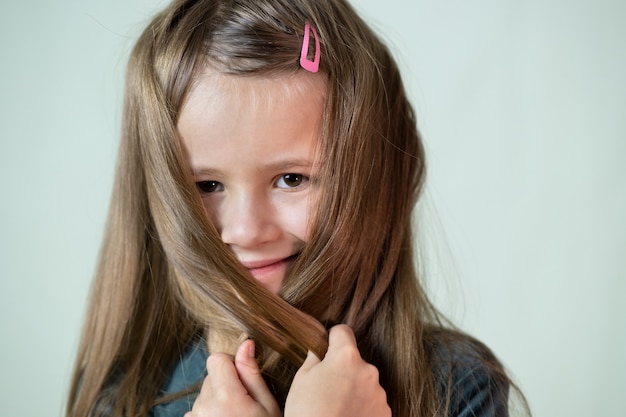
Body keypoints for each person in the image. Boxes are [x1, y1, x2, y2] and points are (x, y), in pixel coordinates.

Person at [67, 0, 527, 416]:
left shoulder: (459, 387)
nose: (246, 231)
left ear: (374, 178)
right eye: (207, 184)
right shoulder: (122, 396)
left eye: (292, 179)